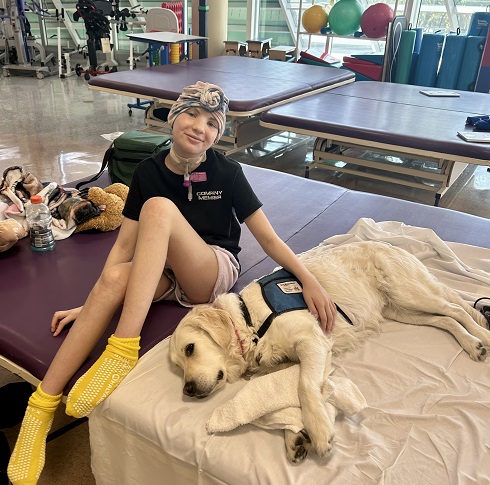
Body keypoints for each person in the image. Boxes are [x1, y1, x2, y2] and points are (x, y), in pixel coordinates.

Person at [7, 81, 337, 485]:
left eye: (213, 123)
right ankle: (40, 408)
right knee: (115, 276)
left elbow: (267, 239)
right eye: (192, 114)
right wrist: (91, 304)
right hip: (162, 268)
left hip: (211, 270)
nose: (200, 127)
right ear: (174, 116)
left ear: (219, 134)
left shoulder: (228, 172)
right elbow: (124, 245)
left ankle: (123, 347)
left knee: (159, 209)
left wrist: (308, 279)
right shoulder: (148, 171)